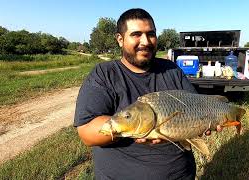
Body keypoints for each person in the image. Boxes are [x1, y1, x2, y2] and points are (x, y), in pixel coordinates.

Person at [74, 8, 216, 180]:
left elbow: (195, 108)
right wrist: (136, 129)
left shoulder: (172, 70)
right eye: (136, 34)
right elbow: (87, 133)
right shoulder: (105, 74)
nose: (145, 41)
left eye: (151, 34)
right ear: (120, 39)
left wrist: (204, 124)